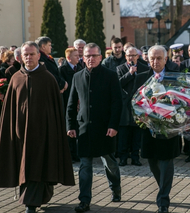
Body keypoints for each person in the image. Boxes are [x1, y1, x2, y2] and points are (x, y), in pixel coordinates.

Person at [0, 41, 75, 213]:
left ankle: (30, 204)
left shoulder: (48, 79)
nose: (29, 57)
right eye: (26, 54)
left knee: (40, 165)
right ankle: (33, 198)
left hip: (43, 134)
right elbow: (10, 110)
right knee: (25, 166)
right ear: (21, 57)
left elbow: (56, 109)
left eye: (32, 54)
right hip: (20, 134)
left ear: (39, 55)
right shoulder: (16, 78)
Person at [67, 43, 123, 212]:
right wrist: (70, 125)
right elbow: (71, 104)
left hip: (105, 129)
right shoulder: (77, 76)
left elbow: (117, 103)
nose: (90, 59)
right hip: (84, 129)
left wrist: (113, 125)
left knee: (110, 163)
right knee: (85, 166)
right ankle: (84, 200)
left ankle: (115, 188)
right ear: (83, 57)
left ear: (100, 57)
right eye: (87, 56)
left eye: (94, 56)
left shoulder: (110, 75)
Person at [133, 45, 180, 213]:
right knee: (153, 162)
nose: (155, 61)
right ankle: (163, 187)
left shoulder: (175, 78)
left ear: (166, 59)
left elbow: (183, 103)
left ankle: (163, 200)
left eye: (159, 58)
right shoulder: (141, 78)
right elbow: (134, 102)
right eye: (152, 58)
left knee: (167, 162)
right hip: (148, 129)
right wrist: (141, 115)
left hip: (169, 129)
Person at [116, 47, 149, 166]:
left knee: (137, 133)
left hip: (139, 106)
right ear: (125, 57)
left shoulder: (145, 69)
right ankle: (123, 158)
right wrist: (129, 74)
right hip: (125, 106)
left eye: (133, 55)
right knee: (124, 134)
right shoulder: (120, 69)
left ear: (137, 56)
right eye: (129, 55)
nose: (131, 58)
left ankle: (135, 157)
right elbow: (118, 84)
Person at [59, 47, 82, 163]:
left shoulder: (80, 68)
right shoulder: (62, 70)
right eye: (75, 56)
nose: (78, 57)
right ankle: (69, 154)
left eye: (78, 55)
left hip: (79, 103)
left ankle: (77, 153)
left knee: (77, 128)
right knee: (69, 128)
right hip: (68, 102)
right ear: (68, 58)